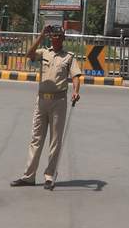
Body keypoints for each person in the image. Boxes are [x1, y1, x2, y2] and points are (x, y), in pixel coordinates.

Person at [11, 24, 82, 191]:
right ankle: (28, 176)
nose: (55, 39)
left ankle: (49, 176)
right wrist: (41, 34)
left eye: (58, 36)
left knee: (55, 140)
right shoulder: (43, 52)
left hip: (59, 101)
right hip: (41, 100)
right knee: (36, 138)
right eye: (53, 36)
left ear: (63, 39)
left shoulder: (69, 57)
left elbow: (76, 76)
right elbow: (29, 54)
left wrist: (76, 91)